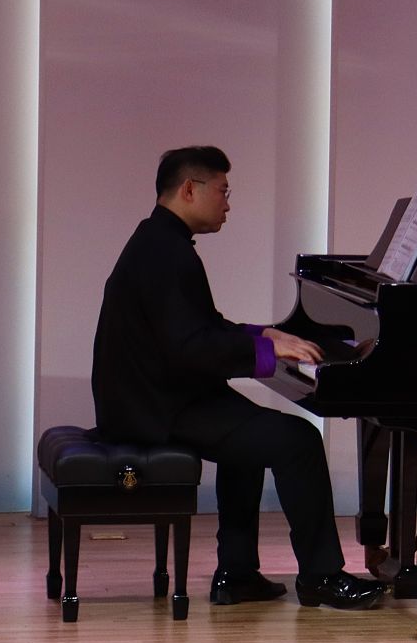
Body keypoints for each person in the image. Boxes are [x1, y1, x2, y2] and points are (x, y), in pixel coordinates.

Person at [92, 145, 386, 611]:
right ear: (190, 190)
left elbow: (198, 327)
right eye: (223, 191)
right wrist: (264, 352)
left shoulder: (158, 242)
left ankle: (237, 573)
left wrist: (262, 334)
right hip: (155, 411)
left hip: (154, 397)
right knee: (298, 440)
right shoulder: (167, 254)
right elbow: (190, 347)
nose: (228, 204)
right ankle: (321, 576)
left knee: (247, 429)